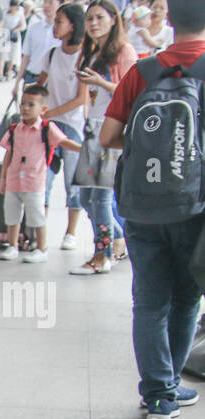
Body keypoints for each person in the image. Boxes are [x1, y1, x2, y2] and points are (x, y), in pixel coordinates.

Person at [100, 0, 205, 419]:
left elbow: (109, 136)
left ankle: (158, 394)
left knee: (149, 303)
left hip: (141, 206)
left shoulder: (142, 70)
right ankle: (168, 385)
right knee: (186, 300)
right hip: (193, 208)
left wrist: (151, 154)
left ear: (170, 22)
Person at [69, 0, 135, 275]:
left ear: (113, 20)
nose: (93, 23)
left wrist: (100, 82)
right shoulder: (92, 50)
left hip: (111, 129)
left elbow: (130, 90)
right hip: (92, 127)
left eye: (99, 17)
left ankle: (102, 255)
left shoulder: (124, 51)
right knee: (85, 198)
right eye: (90, 18)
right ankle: (120, 240)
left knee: (101, 198)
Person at [0, 83, 82, 261]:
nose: (25, 108)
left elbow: (64, 142)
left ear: (42, 109)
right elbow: (8, 153)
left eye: (31, 105)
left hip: (34, 182)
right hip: (13, 181)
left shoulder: (46, 129)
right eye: (23, 104)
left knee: (37, 217)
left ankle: (41, 249)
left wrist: (82, 149)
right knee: (12, 216)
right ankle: (12, 246)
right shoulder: (14, 129)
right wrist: (3, 177)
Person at [37, 2, 87, 249]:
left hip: (74, 126)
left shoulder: (85, 57)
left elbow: (81, 98)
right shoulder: (52, 54)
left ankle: (71, 233)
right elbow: (40, 85)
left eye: (59, 22)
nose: (55, 25)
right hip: (49, 127)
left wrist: (48, 113)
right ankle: (39, 234)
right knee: (42, 180)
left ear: (73, 26)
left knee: (73, 183)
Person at [17, 0, 61, 88]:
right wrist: (17, 83)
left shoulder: (63, 32)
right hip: (31, 77)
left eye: (51, 3)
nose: (46, 6)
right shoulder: (34, 28)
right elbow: (26, 56)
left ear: (60, 5)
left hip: (52, 81)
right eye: (45, 2)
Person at [2, 0, 27, 78]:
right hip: (5, 35)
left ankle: (9, 71)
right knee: (4, 54)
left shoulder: (19, 14)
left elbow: (23, 26)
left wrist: (17, 29)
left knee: (13, 54)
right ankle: (2, 71)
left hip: (14, 36)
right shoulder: (5, 13)